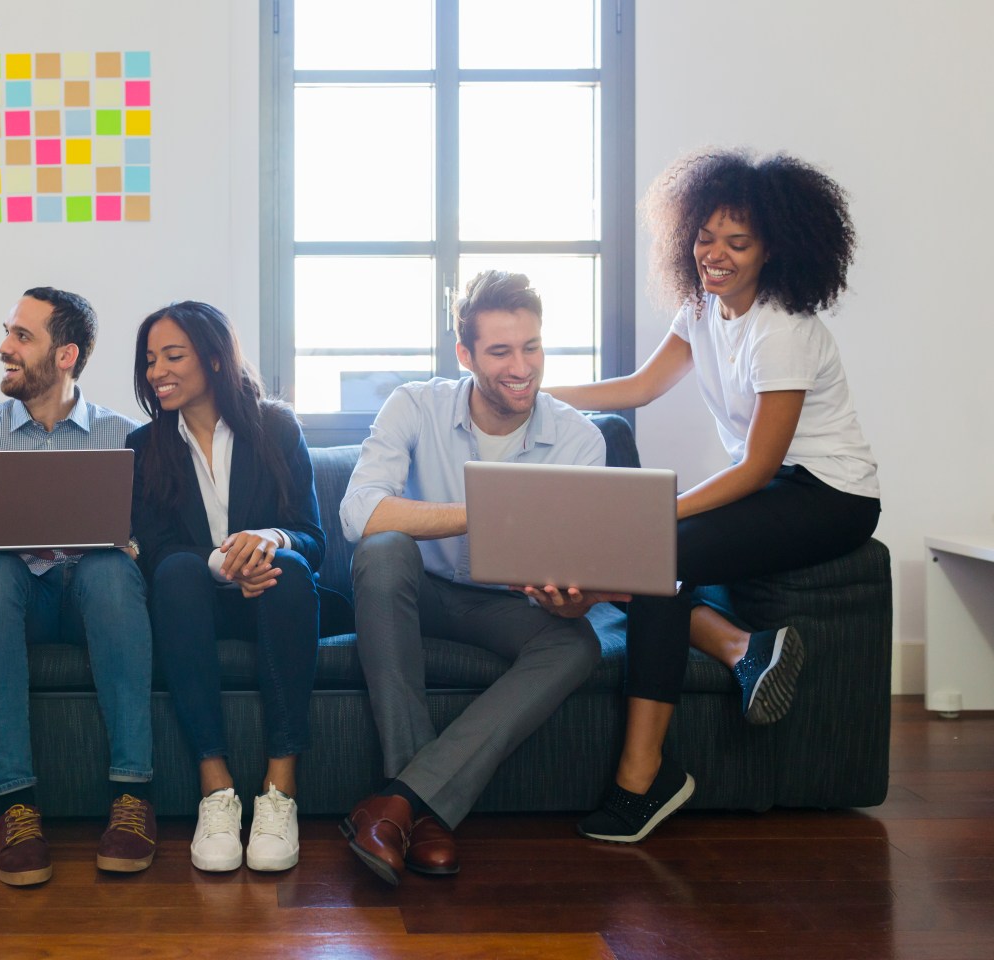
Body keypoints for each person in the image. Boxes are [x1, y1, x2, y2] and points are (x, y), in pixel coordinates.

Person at [547, 149, 881, 844]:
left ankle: (641, 781)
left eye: (738, 242)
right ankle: (740, 650)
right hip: (778, 486)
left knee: (655, 553)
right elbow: (638, 389)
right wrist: (537, 394)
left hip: (829, 494)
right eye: (705, 237)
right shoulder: (700, 309)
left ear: (773, 250)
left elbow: (759, 467)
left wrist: (656, 513)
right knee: (650, 563)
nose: (716, 254)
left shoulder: (781, 328)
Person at [338, 271, 616, 886]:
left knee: (576, 643)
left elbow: (579, 579)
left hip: (509, 605)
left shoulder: (579, 439)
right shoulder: (414, 405)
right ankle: (425, 809)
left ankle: (399, 807)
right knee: (382, 553)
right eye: (500, 351)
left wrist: (571, 601)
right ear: (464, 355)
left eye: (532, 347)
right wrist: (483, 511)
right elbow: (359, 512)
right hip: (419, 592)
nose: (521, 367)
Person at [0, 287, 155, 887]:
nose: (5, 347)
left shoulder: (129, 442)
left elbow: (164, 550)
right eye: (8, 332)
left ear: (66, 354)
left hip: (95, 601)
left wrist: (132, 548)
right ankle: (16, 806)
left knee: (110, 569)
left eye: (22, 336)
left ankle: (132, 797)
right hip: (16, 605)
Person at [128, 302, 323, 873]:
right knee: (178, 571)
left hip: (272, 602)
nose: (156, 371)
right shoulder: (144, 447)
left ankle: (279, 791)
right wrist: (224, 563)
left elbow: (313, 537)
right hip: (191, 604)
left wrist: (269, 539)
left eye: (172, 356)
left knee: (291, 576)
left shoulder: (278, 428)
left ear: (214, 359)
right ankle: (215, 791)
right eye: (149, 360)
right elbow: (158, 548)